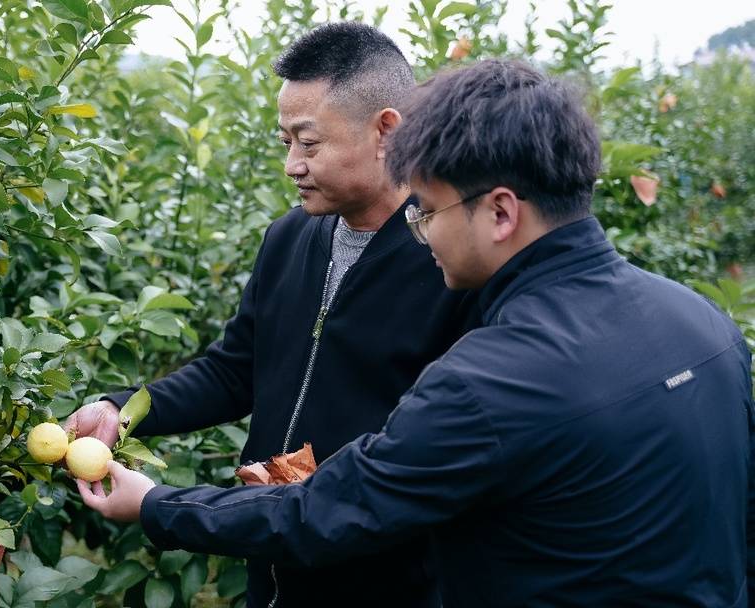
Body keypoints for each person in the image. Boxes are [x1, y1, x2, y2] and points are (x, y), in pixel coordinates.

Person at [77, 59, 755, 606]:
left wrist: (159, 505)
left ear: (498, 213)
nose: (421, 231)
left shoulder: (491, 375)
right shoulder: (706, 325)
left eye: (427, 211)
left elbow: (332, 509)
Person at [65, 22, 477, 607]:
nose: (292, 164)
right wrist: (123, 410)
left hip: (384, 575)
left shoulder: (448, 260)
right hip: (271, 555)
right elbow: (234, 371)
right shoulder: (290, 239)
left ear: (386, 129)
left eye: (309, 143)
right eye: (285, 141)